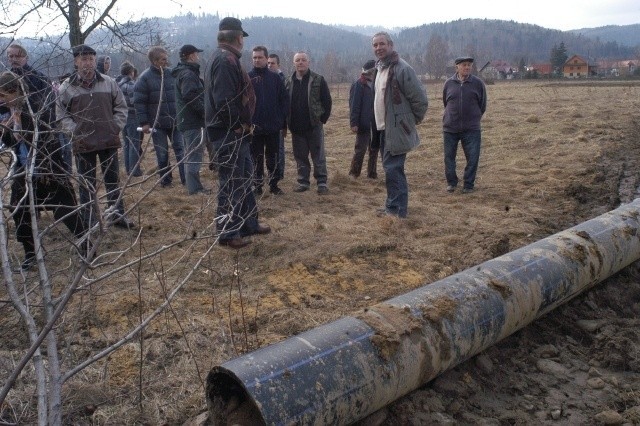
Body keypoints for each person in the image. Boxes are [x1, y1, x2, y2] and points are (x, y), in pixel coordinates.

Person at [0, 71, 88, 270]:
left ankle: (87, 245)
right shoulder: (7, 112)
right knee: (19, 210)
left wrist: (20, 123)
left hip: (48, 168)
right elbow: (10, 143)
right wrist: (8, 129)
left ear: (15, 91)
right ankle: (31, 255)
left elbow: (47, 139)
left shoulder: (36, 107)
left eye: (3, 95)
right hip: (23, 170)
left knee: (65, 209)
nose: (1, 100)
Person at [204, 17, 271, 249]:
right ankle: (227, 232)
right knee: (230, 182)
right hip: (228, 133)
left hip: (235, 133)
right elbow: (223, 100)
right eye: (243, 37)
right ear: (239, 38)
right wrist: (235, 125)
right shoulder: (224, 60)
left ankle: (248, 223)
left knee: (243, 180)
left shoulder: (226, 57)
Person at [56, 44, 134, 229]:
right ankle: (89, 220)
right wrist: (76, 132)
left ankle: (117, 215)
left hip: (109, 141)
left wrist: (114, 127)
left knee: (113, 181)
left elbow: (122, 107)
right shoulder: (67, 87)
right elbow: (61, 116)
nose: (88, 63)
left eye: (91, 59)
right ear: (76, 62)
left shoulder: (109, 82)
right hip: (83, 144)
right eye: (84, 59)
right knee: (86, 185)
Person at [372, 32, 428, 218]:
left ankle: (398, 211)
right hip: (382, 129)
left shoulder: (402, 69)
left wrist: (409, 123)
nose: (378, 48)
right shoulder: (379, 69)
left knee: (393, 170)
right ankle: (392, 206)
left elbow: (420, 100)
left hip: (396, 129)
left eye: (382, 44)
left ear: (391, 45)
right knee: (391, 170)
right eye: (375, 45)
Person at [134, 46, 185, 188]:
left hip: (175, 122)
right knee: (162, 154)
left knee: (181, 150)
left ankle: (185, 179)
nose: (166, 61)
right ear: (155, 61)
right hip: (157, 125)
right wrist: (144, 122)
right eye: (163, 59)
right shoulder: (144, 79)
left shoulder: (172, 74)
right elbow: (139, 102)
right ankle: (166, 181)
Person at [285, 51, 332, 194]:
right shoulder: (288, 81)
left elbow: (327, 101)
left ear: (308, 62)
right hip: (296, 127)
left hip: (313, 125)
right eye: (297, 60)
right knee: (300, 157)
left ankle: (322, 182)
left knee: (318, 155)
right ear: (294, 63)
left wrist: (321, 119)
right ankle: (303, 182)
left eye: (303, 60)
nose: (300, 62)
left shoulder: (318, 79)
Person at [443, 56, 487, 194]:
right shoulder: (448, 84)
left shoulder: (478, 84)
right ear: (457, 67)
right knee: (449, 157)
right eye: (464, 65)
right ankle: (452, 183)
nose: (467, 67)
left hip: (471, 128)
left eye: (469, 65)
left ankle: (468, 184)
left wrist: (474, 118)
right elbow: (446, 102)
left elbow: (483, 105)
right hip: (450, 128)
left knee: (473, 157)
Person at [249, 46, 289, 195]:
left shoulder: (275, 79)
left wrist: (280, 119)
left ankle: (274, 185)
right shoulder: (248, 78)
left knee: (273, 158)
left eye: (260, 57)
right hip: (255, 128)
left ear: (266, 59)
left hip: (273, 127)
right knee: (256, 159)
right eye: (254, 58)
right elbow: (243, 103)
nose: (257, 60)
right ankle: (257, 185)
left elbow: (284, 101)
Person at [171, 44, 210, 195]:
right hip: (192, 121)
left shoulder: (184, 72)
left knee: (192, 153)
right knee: (194, 154)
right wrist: (204, 111)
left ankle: (195, 186)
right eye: (196, 54)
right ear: (190, 56)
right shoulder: (188, 74)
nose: (198, 57)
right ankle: (194, 189)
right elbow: (190, 95)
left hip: (188, 120)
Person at [349, 59, 379, 179]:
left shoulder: (376, 84)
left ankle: (372, 174)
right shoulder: (359, 85)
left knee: (374, 149)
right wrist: (354, 123)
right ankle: (354, 173)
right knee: (360, 150)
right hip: (363, 124)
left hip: (376, 123)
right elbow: (354, 105)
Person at [117, 61, 143, 177]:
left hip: (123, 118)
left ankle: (128, 169)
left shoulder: (118, 84)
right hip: (132, 117)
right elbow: (135, 102)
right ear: (131, 72)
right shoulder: (131, 85)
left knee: (127, 144)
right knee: (134, 144)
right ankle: (135, 171)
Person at [268, 53, 286, 181]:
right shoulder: (265, 77)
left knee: (278, 149)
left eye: (272, 63)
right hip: (264, 121)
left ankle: (278, 174)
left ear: (278, 65)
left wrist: (283, 122)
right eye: (268, 63)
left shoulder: (282, 79)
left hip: (277, 121)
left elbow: (284, 103)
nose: (270, 65)